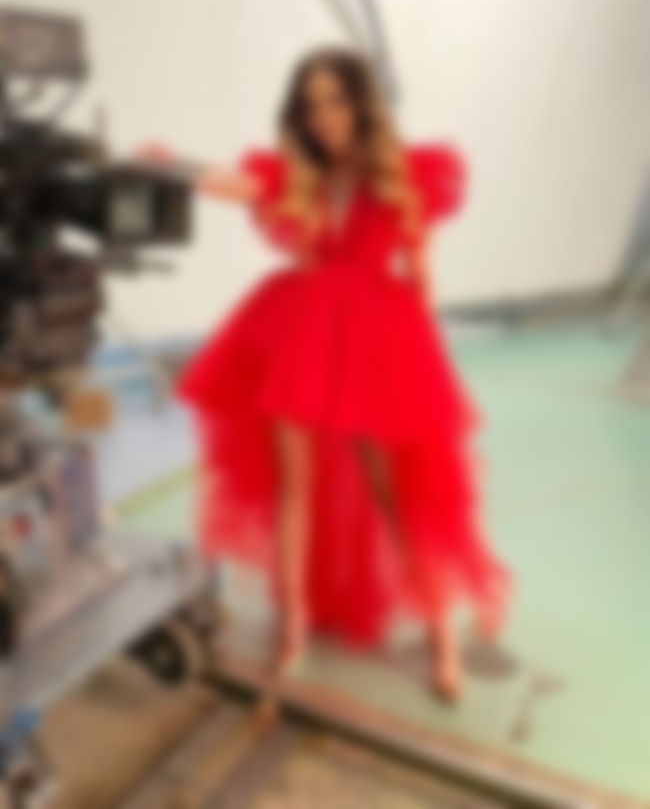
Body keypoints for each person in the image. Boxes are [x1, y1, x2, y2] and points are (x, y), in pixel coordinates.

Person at [139, 48, 510, 701]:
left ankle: (442, 635)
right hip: (301, 336)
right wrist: (175, 165)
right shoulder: (297, 176)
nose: (324, 117)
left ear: (360, 102)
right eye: (311, 106)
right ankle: (293, 625)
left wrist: (415, 368)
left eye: (336, 100)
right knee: (295, 488)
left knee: (395, 495)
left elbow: (421, 276)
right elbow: (238, 184)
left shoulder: (400, 174)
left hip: (373, 339)